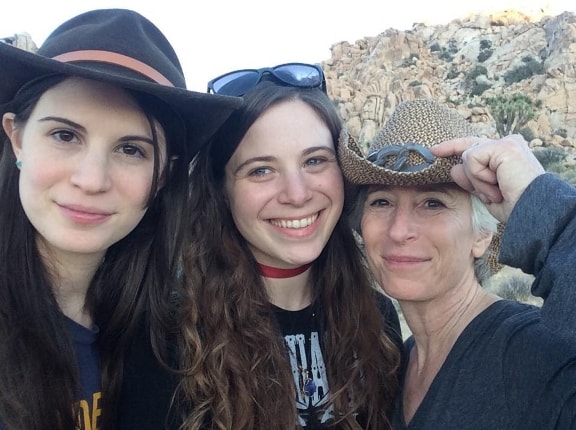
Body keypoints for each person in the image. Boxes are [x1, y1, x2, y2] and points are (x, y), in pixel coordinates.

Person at [338, 98, 576, 429]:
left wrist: (552, 217)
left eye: (433, 203)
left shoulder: (534, 355)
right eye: (381, 201)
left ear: (482, 235)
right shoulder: (397, 365)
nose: (399, 230)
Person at [0, 9, 240, 430]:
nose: (92, 180)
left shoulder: (165, 339)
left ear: (164, 173)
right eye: (64, 135)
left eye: (131, 149)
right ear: (17, 138)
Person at [176, 64, 403, 429]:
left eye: (315, 161)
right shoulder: (176, 334)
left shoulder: (377, 320)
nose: (297, 194)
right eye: (261, 170)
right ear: (221, 191)